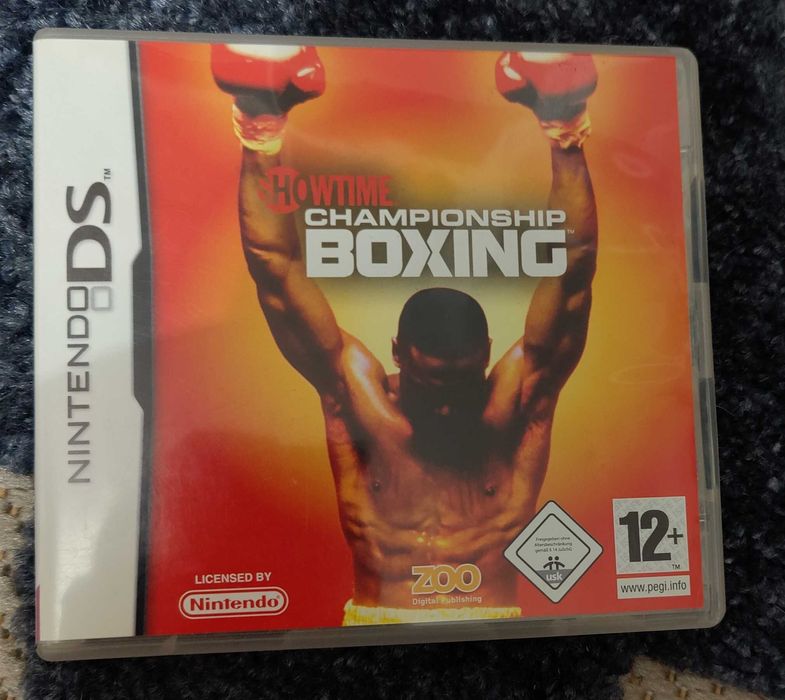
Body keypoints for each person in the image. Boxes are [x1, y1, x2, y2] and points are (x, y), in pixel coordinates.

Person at [211, 44, 598, 625]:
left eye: (460, 387)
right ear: (398, 355)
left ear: (487, 357)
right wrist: (260, 129)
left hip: (494, 628)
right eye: (429, 385)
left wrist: (565, 131)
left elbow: (571, 273)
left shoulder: (519, 399)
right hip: (376, 627)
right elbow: (275, 269)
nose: (444, 407)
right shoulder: (355, 394)